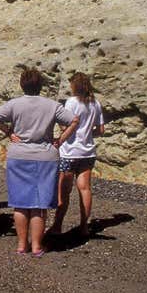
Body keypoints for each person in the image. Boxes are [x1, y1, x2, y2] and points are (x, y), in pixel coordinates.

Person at [0, 67, 79, 256]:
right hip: (45, 156)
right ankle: (37, 246)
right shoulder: (52, 105)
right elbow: (74, 120)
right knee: (39, 204)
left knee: (20, 203)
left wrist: (8, 132)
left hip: (18, 155)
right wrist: (60, 140)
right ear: (40, 85)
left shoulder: (14, 104)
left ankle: (22, 245)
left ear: (22, 84)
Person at [49, 72, 105, 237]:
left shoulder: (72, 102)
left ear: (74, 86)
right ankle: (84, 226)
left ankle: (57, 225)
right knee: (85, 188)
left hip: (70, 151)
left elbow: (66, 124)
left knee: (64, 191)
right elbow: (101, 130)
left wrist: (64, 131)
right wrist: (86, 134)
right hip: (87, 152)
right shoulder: (95, 103)